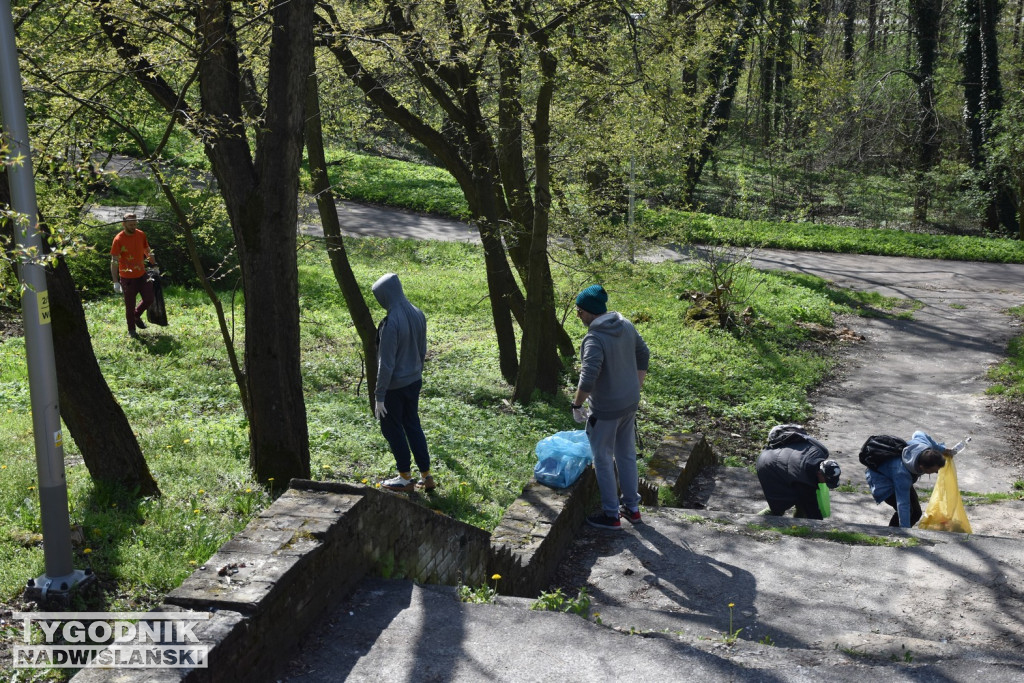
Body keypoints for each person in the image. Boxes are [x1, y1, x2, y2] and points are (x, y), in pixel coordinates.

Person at [571, 284, 650, 530]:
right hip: (629, 403)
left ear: (589, 312)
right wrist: (634, 385)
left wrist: (577, 404)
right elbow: (643, 353)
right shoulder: (625, 325)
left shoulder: (594, 339)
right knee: (626, 454)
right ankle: (633, 509)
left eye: (579, 311)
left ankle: (611, 515)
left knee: (603, 459)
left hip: (605, 411)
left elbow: (588, 378)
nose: (578, 316)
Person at [372, 273, 434, 493]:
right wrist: (416, 373)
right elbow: (422, 349)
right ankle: (426, 476)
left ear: (385, 296)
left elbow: (386, 364)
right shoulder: (418, 313)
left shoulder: (390, 323)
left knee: (392, 429)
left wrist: (380, 396)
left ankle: (404, 477)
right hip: (414, 381)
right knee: (412, 425)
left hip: (394, 387)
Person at [756, 424, 841, 519]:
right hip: (769, 465)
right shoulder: (803, 479)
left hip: (783, 459)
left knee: (801, 502)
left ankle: (799, 524)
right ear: (819, 473)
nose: (825, 483)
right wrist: (820, 526)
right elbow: (811, 508)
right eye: (826, 480)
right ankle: (754, 521)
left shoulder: (821, 453)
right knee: (779, 506)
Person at [865, 430, 948, 528]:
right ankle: (894, 534)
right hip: (881, 481)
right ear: (922, 467)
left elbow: (918, 433)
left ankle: (899, 531)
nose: (936, 472)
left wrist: (942, 449)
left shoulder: (924, 445)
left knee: (916, 513)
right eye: (933, 471)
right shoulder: (902, 474)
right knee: (908, 511)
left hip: (895, 474)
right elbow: (903, 504)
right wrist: (905, 532)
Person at [109, 213, 158, 339]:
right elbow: (114, 261)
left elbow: (147, 250)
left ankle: (136, 315)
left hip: (142, 274)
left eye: (135, 224)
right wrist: (115, 281)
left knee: (149, 298)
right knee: (129, 305)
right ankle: (131, 330)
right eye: (131, 225)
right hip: (127, 277)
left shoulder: (140, 234)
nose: (133, 227)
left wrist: (154, 264)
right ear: (123, 224)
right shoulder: (118, 239)